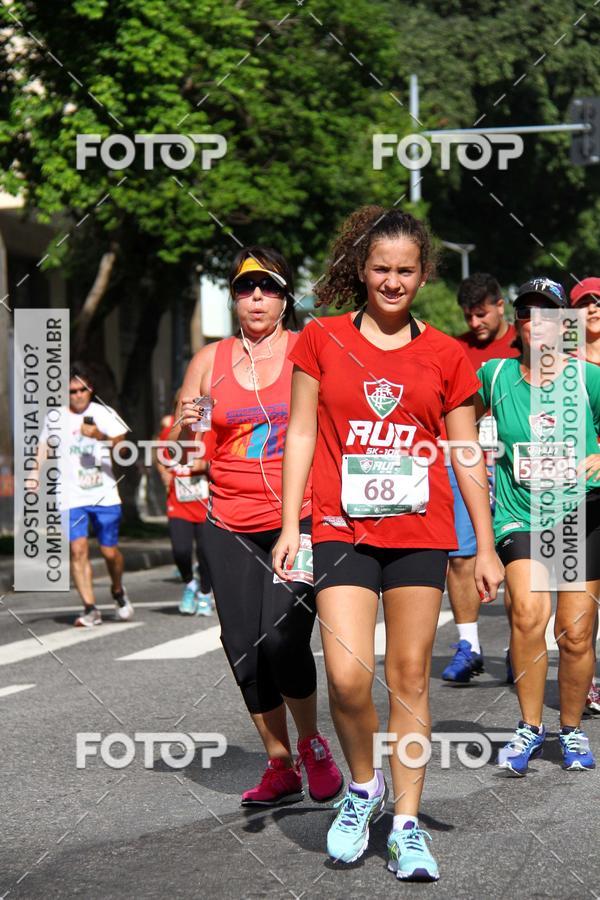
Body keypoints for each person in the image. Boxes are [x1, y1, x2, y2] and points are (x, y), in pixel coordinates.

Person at [273, 207, 503, 882]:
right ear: (361, 270)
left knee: (407, 678)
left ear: (423, 273)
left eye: (406, 271)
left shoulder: (447, 356)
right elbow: (303, 434)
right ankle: (363, 787)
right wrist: (292, 524)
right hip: (343, 529)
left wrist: (484, 545)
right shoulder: (319, 339)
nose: (393, 282)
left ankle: (405, 825)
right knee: (346, 676)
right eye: (381, 269)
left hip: (418, 534)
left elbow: (465, 453)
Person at [172, 247, 343, 807]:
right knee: (241, 644)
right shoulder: (208, 361)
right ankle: (279, 762)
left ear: (285, 296)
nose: (256, 299)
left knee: (283, 635)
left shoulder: (308, 348)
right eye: (246, 289)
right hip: (229, 518)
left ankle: (313, 743)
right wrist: (183, 428)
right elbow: (180, 443)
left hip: (300, 517)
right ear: (234, 296)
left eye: (267, 288)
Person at [476, 277, 600, 775]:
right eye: (528, 314)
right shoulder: (494, 375)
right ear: (518, 323)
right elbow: (448, 416)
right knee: (528, 613)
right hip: (518, 514)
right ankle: (530, 726)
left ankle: (570, 729)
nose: (539, 323)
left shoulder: (589, 380)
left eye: (550, 313)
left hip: (580, 511)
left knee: (574, 632)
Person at [442, 274, 519, 683]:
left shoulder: (521, 346)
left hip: (512, 465)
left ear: (501, 305)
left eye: (482, 313)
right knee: (461, 556)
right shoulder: (455, 349)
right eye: (468, 315)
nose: (475, 323)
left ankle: (516, 647)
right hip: (465, 461)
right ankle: (468, 644)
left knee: (516, 558)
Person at [38, 362, 133, 626]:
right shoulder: (55, 417)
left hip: (104, 493)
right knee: (78, 549)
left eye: (82, 390)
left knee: (109, 552)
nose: (77, 395)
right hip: (71, 496)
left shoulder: (104, 414)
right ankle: (90, 608)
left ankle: (117, 590)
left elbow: (124, 450)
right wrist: (34, 473)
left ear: (90, 390)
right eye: (72, 391)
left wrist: (100, 436)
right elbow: (44, 447)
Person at [569, 277, 600, 715]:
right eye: (583, 302)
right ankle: (587, 679)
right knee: (585, 596)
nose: (593, 307)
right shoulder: (565, 363)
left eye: (599, 300)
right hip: (579, 493)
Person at [156, 399, 214, 615]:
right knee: (180, 550)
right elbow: (161, 455)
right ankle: (190, 583)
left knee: (205, 552)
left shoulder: (210, 431)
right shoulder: (173, 430)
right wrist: (163, 471)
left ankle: (205, 594)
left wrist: (206, 465)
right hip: (178, 503)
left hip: (206, 505)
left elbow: (224, 459)